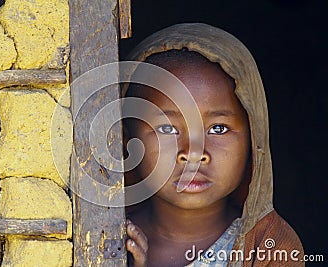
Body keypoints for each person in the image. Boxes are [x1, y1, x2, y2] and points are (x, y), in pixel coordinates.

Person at [122, 23, 304, 267]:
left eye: (218, 129)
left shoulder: (268, 247)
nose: (194, 153)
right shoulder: (106, 238)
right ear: (126, 141)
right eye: (167, 129)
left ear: (254, 140)